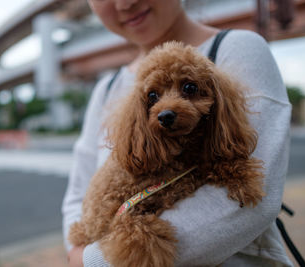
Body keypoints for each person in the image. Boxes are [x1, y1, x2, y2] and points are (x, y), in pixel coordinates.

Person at [62, 0, 293, 266]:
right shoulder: (106, 89)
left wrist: (93, 261)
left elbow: (253, 199)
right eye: (153, 97)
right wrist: (77, 253)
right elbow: (77, 196)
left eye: (189, 89)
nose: (126, 3)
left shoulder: (238, 49)